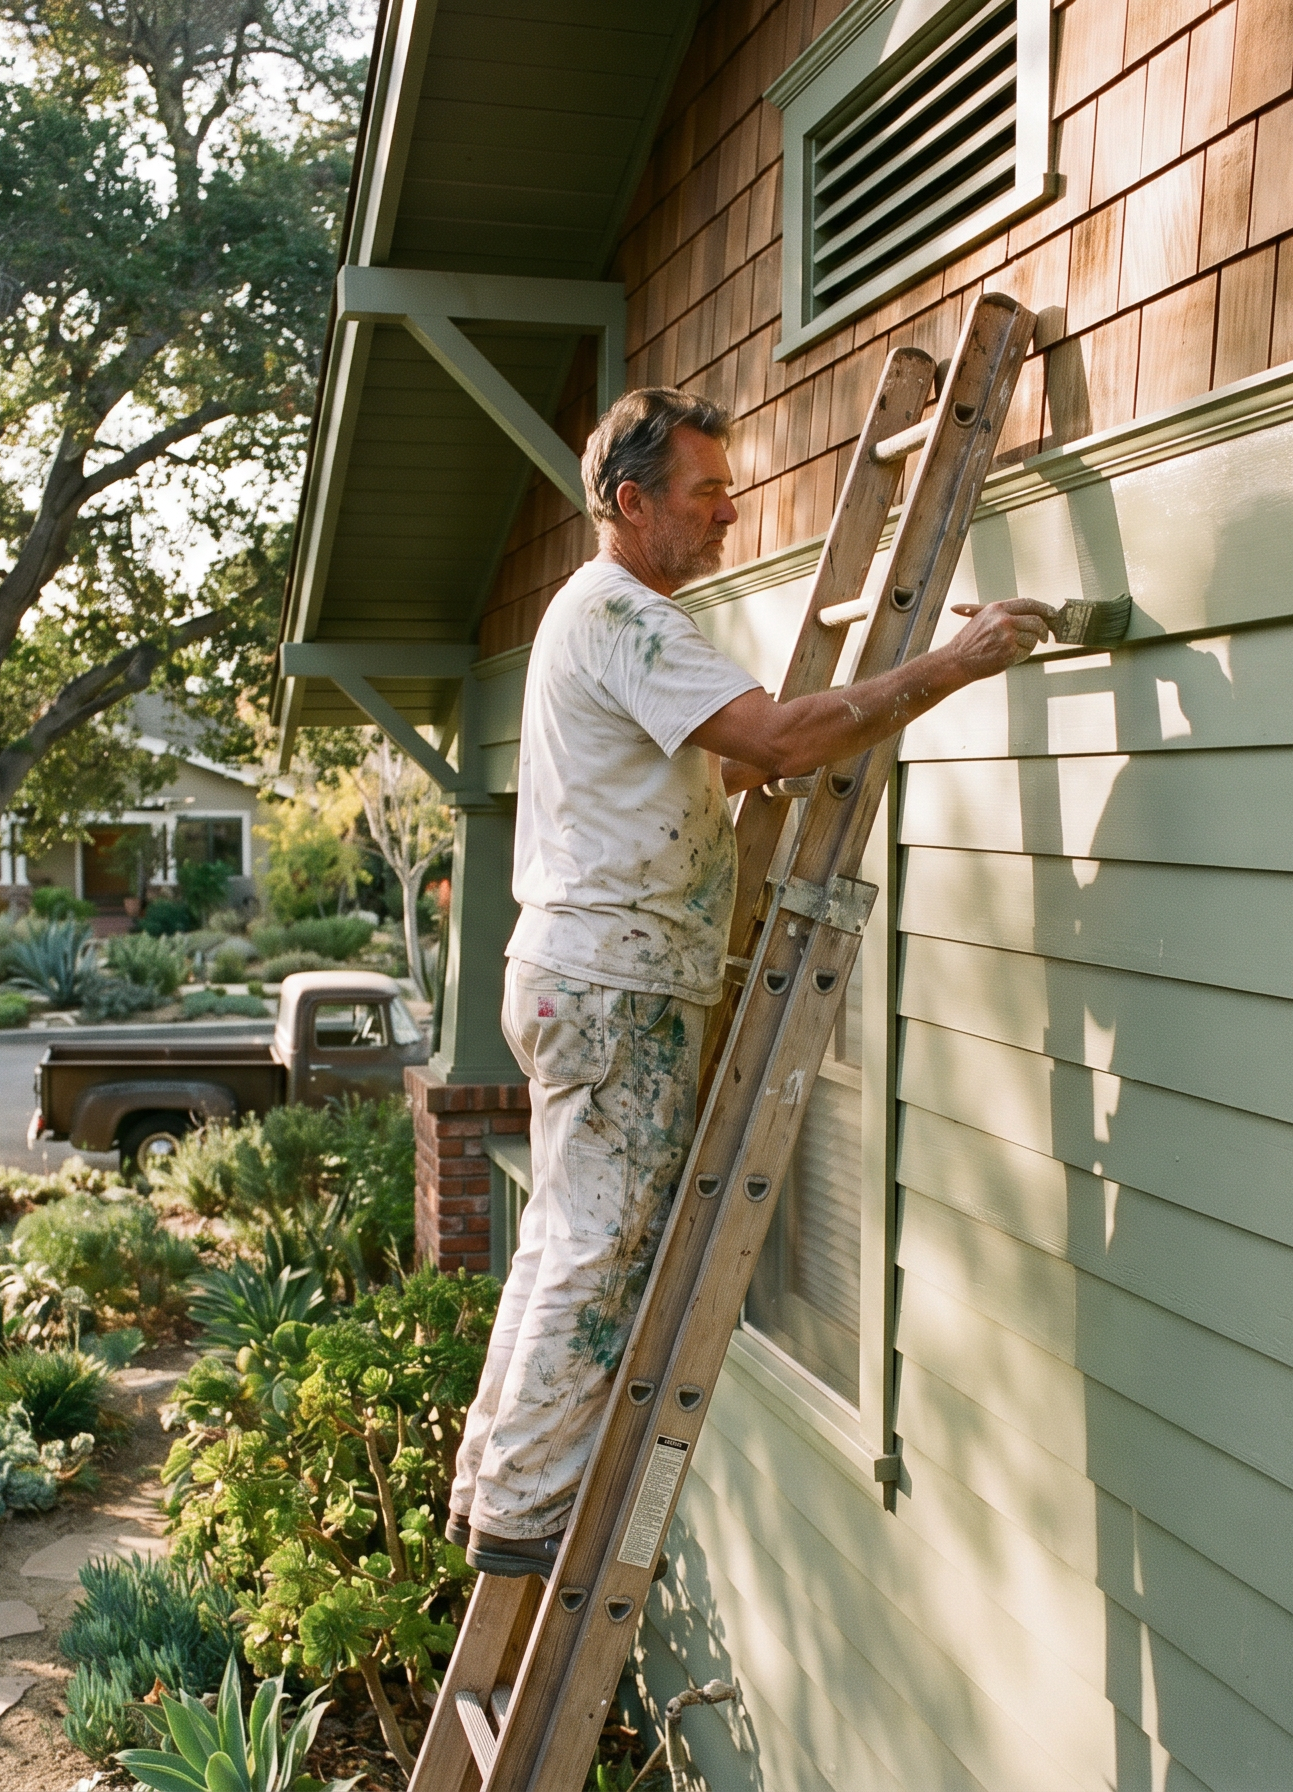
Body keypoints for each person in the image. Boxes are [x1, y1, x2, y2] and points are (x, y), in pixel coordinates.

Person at [446, 386, 1053, 1577]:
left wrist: (741, 782)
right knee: (603, 1243)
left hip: (575, 974)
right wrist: (955, 663)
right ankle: (528, 1513)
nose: (729, 512)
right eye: (706, 492)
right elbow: (772, 738)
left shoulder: (588, 613)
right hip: (617, 985)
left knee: (564, 1237)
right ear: (633, 504)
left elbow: (670, 781)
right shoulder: (627, 616)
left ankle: (496, 1484)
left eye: (729, 489)